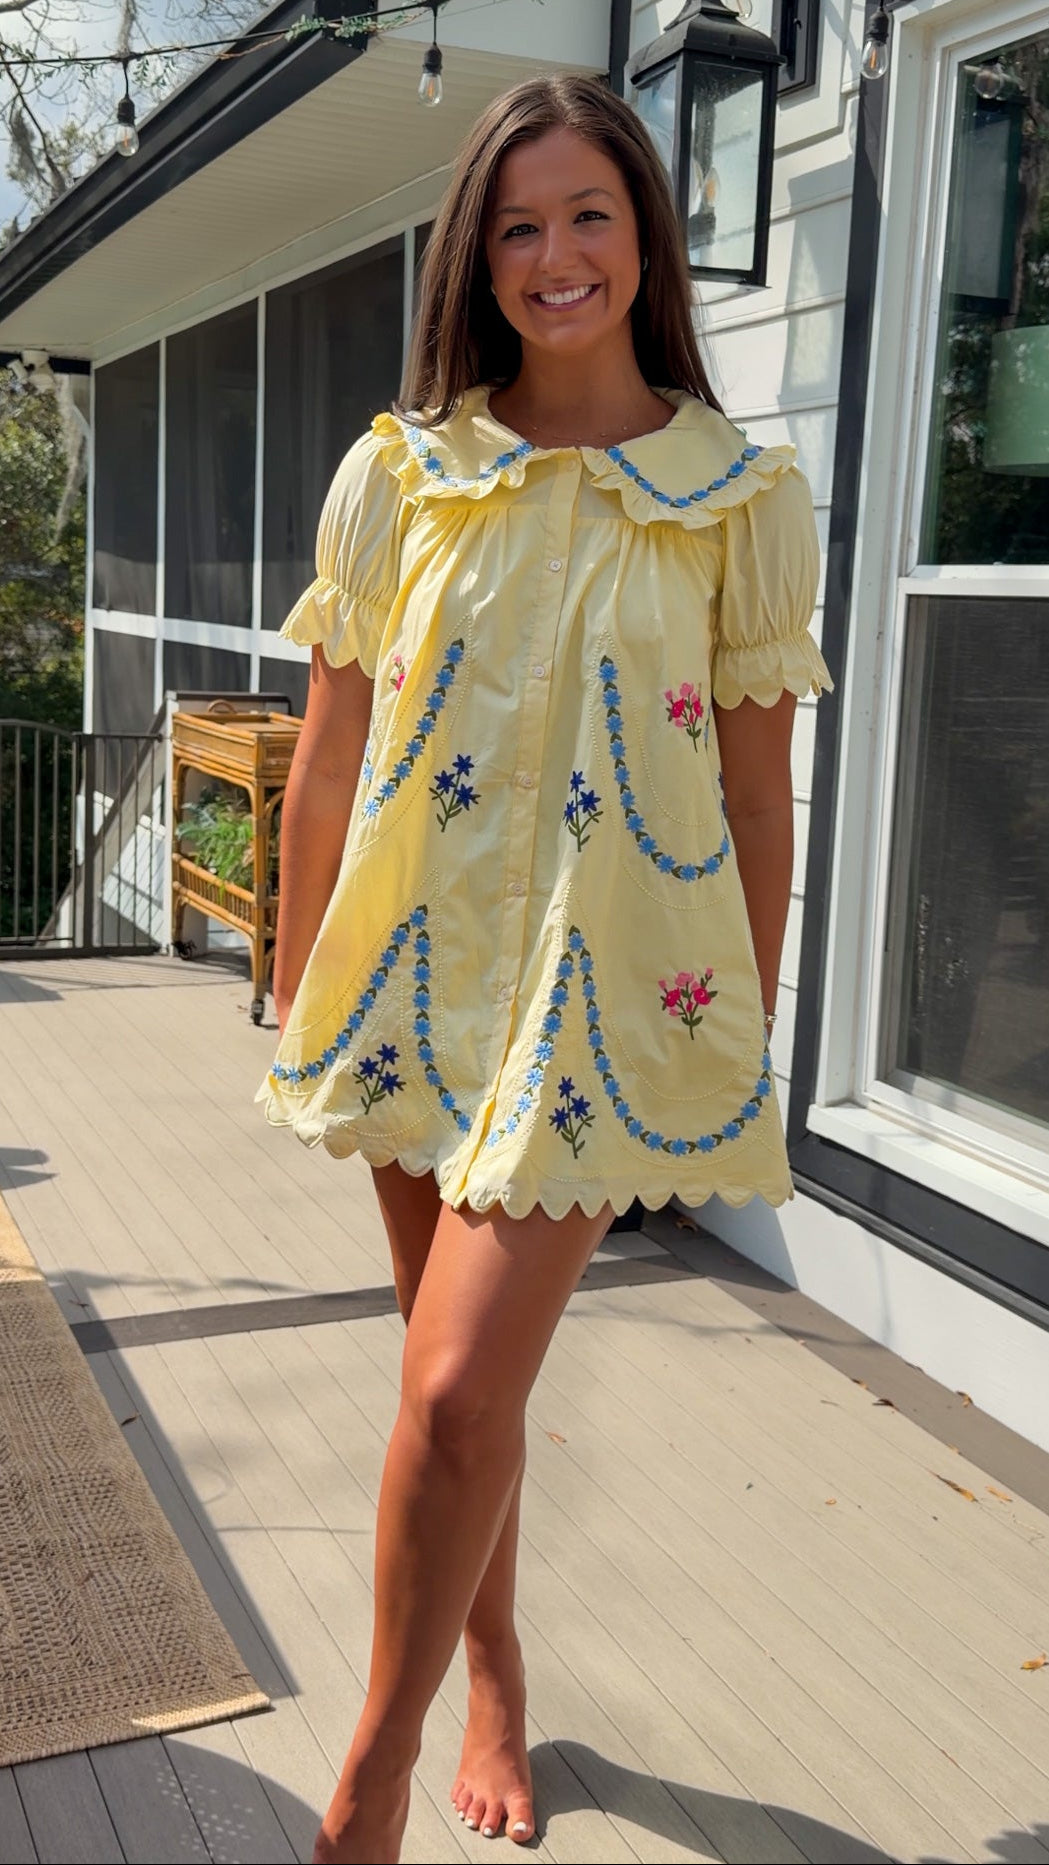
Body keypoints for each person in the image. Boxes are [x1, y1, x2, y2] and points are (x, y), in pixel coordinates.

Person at [260, 72, 832, 1865]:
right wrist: (292, 980)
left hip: (604, 1005)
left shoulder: (740, 500)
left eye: (589, 213)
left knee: (449, 1393)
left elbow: (757, 799)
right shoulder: (402, 475)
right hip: (409, 977)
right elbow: (328, 761)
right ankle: (494, 1669)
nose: (555, 254)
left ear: (645, 234)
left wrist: (729, 1031)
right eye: (517, 225)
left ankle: (367, 1784)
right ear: (476, 257)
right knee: (455, 1390)